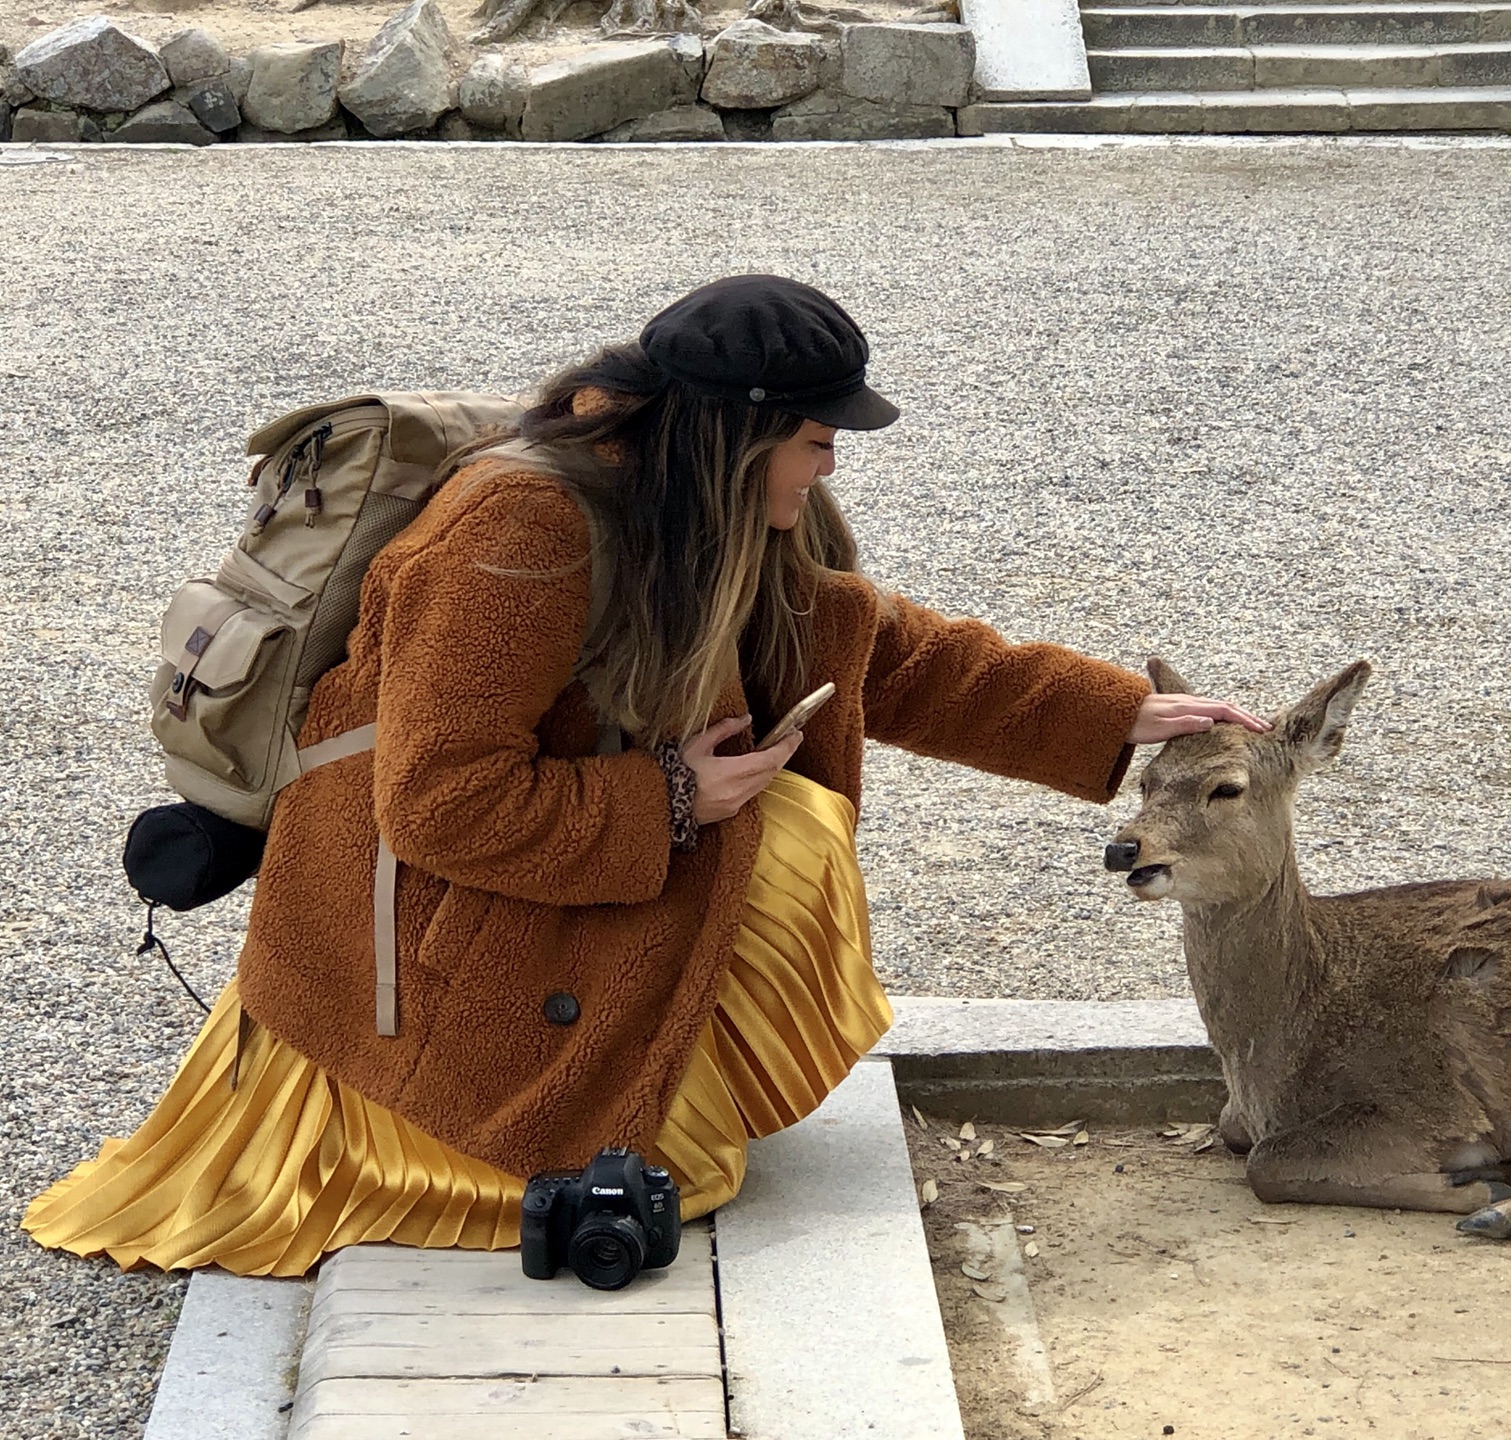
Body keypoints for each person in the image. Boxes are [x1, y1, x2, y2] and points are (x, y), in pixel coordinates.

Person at [26, 276, 1268, 1277]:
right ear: (743, 430)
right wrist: (668, 800)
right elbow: (440, 800)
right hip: (402, 921)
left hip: (520, 882)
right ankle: (428, 1131)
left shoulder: (710, 497)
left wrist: (1116, 713)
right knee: (732, 974)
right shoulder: (520, 531)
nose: (832, 465)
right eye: (820, 439)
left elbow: (867, 642)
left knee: (773, 845)